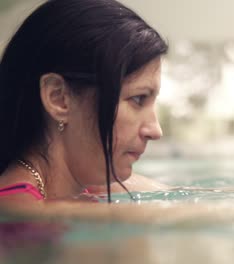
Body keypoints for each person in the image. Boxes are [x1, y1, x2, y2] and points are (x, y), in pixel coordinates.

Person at [0, 0, 168, 204]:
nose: (155, 130)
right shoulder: (20, 208)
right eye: (138, 99)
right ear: (59, 98)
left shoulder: (88, 180)